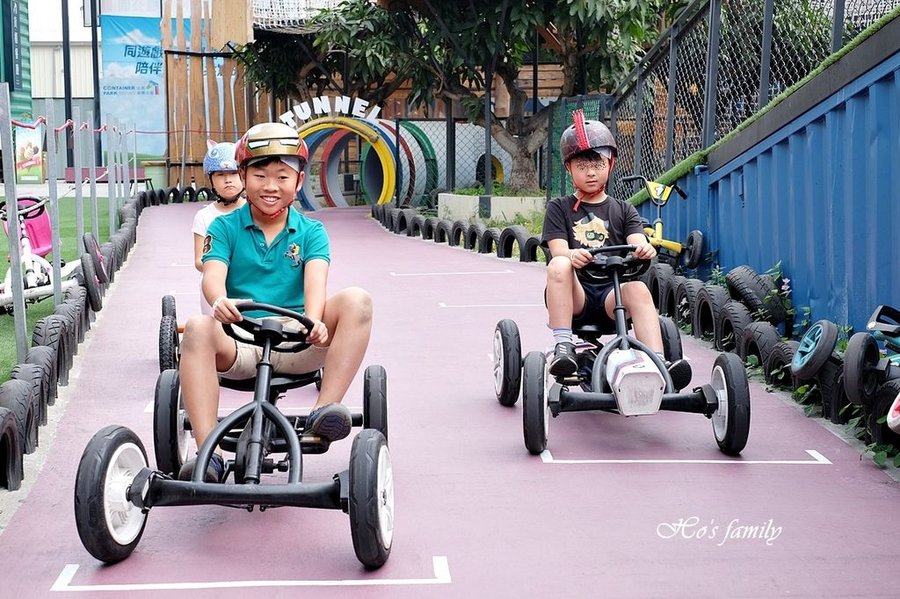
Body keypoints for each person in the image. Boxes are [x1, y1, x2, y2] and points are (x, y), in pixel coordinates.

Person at [178, 122, 373, 482]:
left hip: (296, 340)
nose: (270, 186)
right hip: (241, 338)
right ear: (243, 177)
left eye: (282, 176)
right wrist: (219, 299)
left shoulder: (312, 231)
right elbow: (212, 274)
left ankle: (322, 411)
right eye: (261, 175)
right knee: (196, 328)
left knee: (357, 301)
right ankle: (212, 453)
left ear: (298, 182)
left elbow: (317, 279)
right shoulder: (222, 227)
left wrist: (312, 322)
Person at [541, 109, 690, 388]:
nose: (591, 173)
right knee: (558, 263)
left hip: (614, 295)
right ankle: (564, 347)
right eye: (582, 167)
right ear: (569, 169)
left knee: (639, 288)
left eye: (597, 165)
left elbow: (637, 241)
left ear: (610, 165)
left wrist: (644, 249)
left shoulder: (623, 210)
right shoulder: (559, 208)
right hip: (577, 295)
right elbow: (558, 249)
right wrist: (573, 255)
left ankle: (657, 362)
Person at [191, 140, 246, 314]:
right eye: (220, 175)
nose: (228, 180)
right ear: (211, 179)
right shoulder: (205, 216)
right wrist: (220, 263)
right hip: (216, 281)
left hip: (250, 279)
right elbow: (199, 260)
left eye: (233, 173)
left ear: (243, 175)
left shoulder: (255, 211)